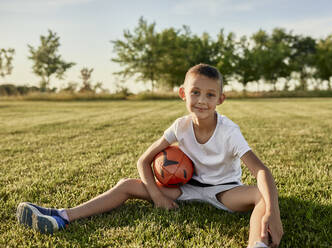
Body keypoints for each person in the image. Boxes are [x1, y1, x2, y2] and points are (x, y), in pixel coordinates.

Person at [17, 64, 283, 248]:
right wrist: (156, 195)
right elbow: (143, 161)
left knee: (262, 195)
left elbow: (260, 171)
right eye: (195, 92)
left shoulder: (229, 131)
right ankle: (62, 216)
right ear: (183, 94)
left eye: (210, 95)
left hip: (225, 191)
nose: (202, 100)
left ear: (220, 99)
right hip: (184, 190)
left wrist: (272, 212)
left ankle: (256, 243)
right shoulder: (179, 126)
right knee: (126, 185)